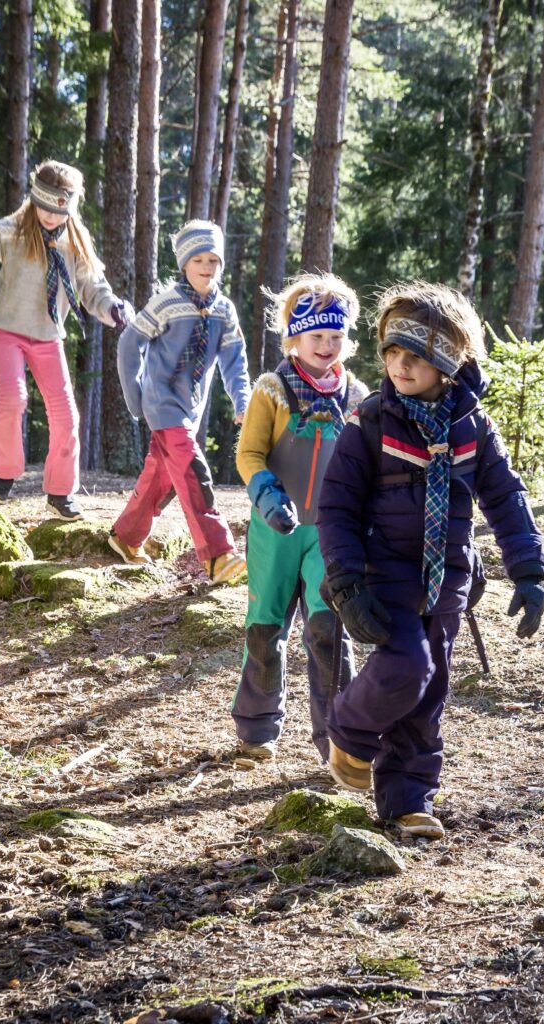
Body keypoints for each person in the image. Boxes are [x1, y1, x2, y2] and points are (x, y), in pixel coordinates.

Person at [317, 281, 544, 839]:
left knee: (431, 691)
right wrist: (346, 583)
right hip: (384, 574)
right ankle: (348, 729)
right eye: (392, 353)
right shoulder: (369, 424)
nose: (399, 365)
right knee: (407, 667)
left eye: (414, 356)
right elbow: (337, 507)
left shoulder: (475, 429)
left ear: (447, 361)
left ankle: (406, 799)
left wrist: (529, 570)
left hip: (448, 582)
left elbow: (506, 499)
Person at [0, 160, 133, 521]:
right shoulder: (14, 230)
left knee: (65, 412)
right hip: (5, 331)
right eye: (44, 207)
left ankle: (60, 492)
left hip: (48, 337)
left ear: (69, 207)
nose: (50, 217)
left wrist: (112, 308)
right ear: (33, 200)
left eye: (58, 210)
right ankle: (2, 478)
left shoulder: (75, 242)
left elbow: (93, 288)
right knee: (13, 397)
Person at [232, 274, 369, 763]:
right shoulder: (272, 390)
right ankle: (256, 729)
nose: (327, 346)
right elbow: (248, 453)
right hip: (275, 530)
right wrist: (265, 493)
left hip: (329, 534)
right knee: (265, 625)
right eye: (317, 337)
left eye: (336, 337)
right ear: (295, 336)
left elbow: (365, 463)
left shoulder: (357, 397)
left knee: (330, 629)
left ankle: (340, 740)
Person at [108, 220, 251, 585]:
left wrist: (242, 402)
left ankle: (125, 537)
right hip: (161, 403)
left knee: (163, 478)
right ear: (185, 263)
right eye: (198, 259)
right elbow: (130, 343)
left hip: (190, 409)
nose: (206, 267)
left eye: (213, 260)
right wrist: (135, 396)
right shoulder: (167, 303)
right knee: (192, 470)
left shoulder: (224, 311)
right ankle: (219, 555)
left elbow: (235, 359)